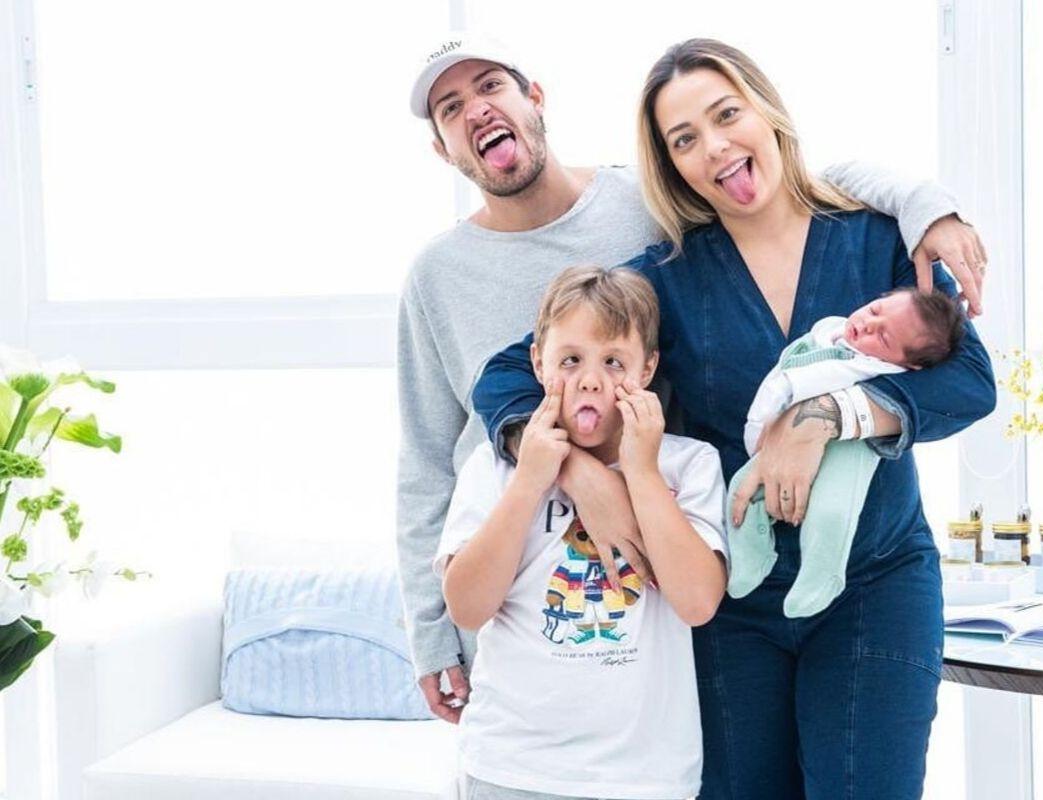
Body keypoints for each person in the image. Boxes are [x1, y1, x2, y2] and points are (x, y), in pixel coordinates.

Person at [397, 32, 989, 725]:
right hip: (725, 592)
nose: (713, 147)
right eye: (684, 140)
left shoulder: (865, 237)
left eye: (727, 114)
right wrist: (574, 473)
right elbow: (496, 384)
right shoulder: (666, 273)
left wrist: (828, 413)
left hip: (871, 582)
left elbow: (968, 379)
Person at [437, 266, 727, 799]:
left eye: (613, 362)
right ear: (537, 362)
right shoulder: (494, 468)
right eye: (570, 360)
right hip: (510, 768)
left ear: (648, 369)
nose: (590, 380)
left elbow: (697, 602)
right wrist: (530, 482)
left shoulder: (689, 465)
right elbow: (467, 608)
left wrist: (642, 472)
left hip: (643, 778)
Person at [729, 288, 966, 619]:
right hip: (780, 441)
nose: (869, 325)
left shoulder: (879, 371)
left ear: (907, 364)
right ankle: (750, 558)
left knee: (831, 511)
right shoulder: (828, 334)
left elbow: (972, 389)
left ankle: (823, 576)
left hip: (850, 444)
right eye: (875, 310)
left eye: (883, 337)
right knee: (741, 491)